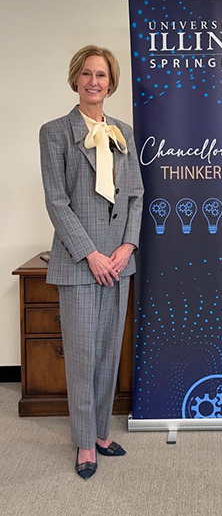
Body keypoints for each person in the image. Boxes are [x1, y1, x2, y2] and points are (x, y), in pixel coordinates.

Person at [40, 45, 144, 479]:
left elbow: (136, 195)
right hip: (81, 262)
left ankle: (101, 431)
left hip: (118, 263)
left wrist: (126, 248)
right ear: (75, 80)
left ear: (111, 82)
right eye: (86, 74)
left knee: (106, 354)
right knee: (82, 355)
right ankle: (85, 442)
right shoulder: (56, 131)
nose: (94, 82)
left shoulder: (122, 131)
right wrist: (92, 254)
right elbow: (57, 201)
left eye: (101, 75)